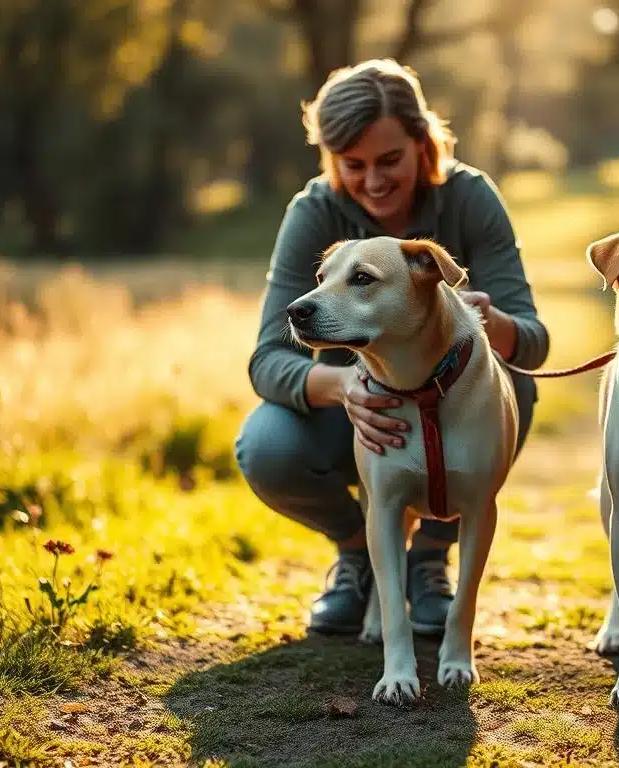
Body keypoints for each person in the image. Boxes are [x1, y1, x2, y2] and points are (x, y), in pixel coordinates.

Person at [234, 58, 551, 636]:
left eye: (389, 160)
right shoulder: (314, 211)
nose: (373, 181)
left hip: (460, 406)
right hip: (364, 415)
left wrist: (491, 322)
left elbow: (532, 343)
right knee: (265, 445)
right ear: (332, 159)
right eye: (353, 165)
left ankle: (428, 555)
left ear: (423, 143)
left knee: (512, 385)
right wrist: (345, 387)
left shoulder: (469, 199)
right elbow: (267, 360)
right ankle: (359, 553)